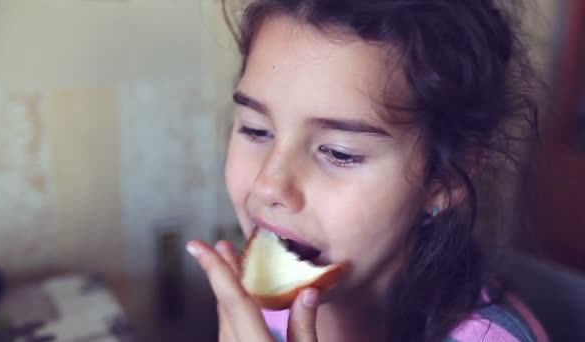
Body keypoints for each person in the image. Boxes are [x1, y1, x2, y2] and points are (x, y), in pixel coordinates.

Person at [186, 0, 549, 340]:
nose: (268, 185)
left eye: (338, 153)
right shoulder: (256, 307)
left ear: (446, 178)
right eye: (255, 130)